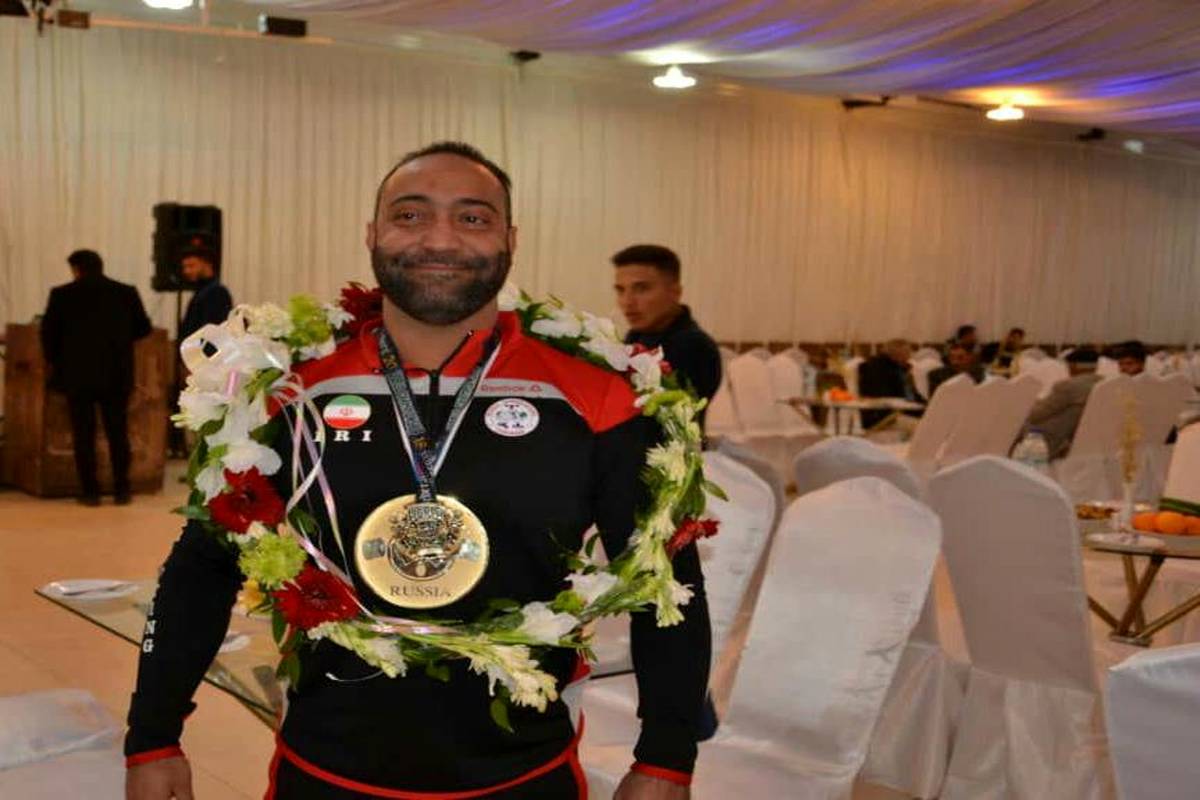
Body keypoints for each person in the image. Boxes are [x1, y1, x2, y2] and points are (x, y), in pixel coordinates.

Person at [126, 142, 710, 800]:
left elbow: (666, 582)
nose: (439, 239)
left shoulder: (599, 397)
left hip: (526, 774)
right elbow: (204, 567)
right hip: (322, 769)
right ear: (372, 234)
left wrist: (666, 758)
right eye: (410, 215)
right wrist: (153, 735)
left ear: (511, 239)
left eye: (472, 217)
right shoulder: (284, 389)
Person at [40, 249, 151, 505]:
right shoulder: (126, 292)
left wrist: (58, 361)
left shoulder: (62, 295)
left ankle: (90, 492)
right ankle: (122, 489)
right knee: (118, 432)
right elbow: (143, 328)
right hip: (117, 374)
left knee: (84, 435)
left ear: (76, 269)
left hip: (77, 376)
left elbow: (48, 335)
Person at [612, 244, 721, 412]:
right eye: (621, 290)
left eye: (641, 289)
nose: (627, 301)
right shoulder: (636, 336)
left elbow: (662, 417)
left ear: (675, 292)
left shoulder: (692, 346)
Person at [1024, 347, 1103, 459]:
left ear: (1073, 366)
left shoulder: (1068, 386)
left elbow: (1035, 415)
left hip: (1056, 440)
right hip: (1091, 440)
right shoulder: (1105, 383)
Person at [858, 339, 921, 428]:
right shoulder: (877, 369)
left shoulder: (899, 368)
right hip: (885, 417)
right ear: (898, 355)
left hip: (901, 411)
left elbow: (912, 394)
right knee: (926, 426)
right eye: (907, 353)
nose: (909, 357)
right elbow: (883, 396)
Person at [177, 248, 233, 343]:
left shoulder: (217, 292)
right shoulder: (201, 291)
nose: (186, 271)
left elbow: (211, 331)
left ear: (207, 264)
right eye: (184, 267)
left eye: (191, 266)